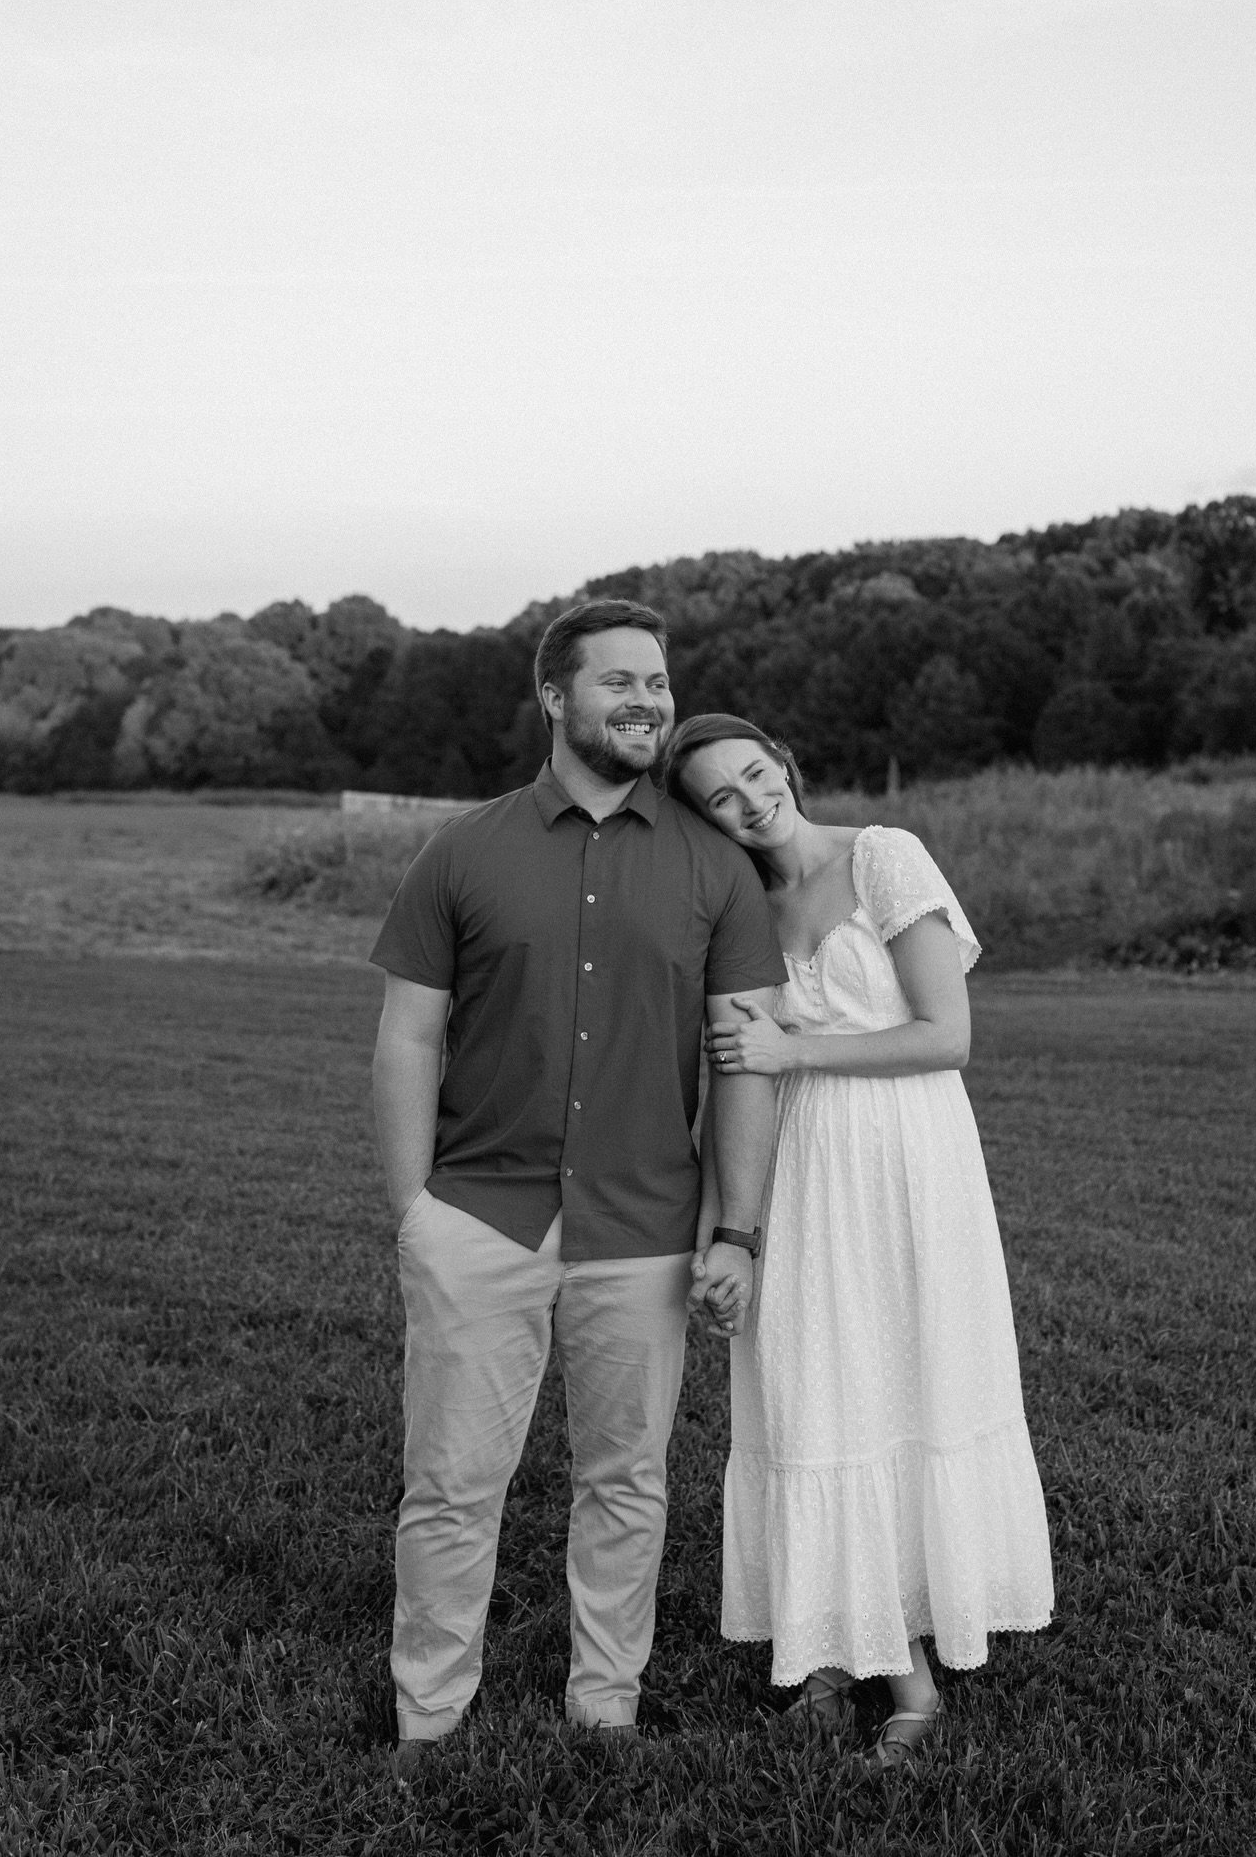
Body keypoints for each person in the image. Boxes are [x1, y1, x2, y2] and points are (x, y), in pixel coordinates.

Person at [369, 603, 787, 1774]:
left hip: (647, 1228)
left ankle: (607, 1706)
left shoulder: (716, 864)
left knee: (627, 1481)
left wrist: (738, 1229)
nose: (647, 698)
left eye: (657, 679)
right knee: (451, 1486)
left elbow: (744, 1057)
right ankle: (428, 1716)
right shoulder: (463, 849)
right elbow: (407, 1039)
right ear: (555, 697)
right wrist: (416, 1213)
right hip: (479, 1218)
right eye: (619, 680)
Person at [666, 713, 1054, 1765]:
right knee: (813, 1392)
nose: (753, 802)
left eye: (757, 774)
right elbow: (730, 1073)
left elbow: (948, 1033)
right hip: (796, 1171)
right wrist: (724, 1230)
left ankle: (906, 1675)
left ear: (785, 761)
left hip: (904, 1158)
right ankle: (841, 1643)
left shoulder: (884, 854)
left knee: (900, 1385)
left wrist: (796, 1044)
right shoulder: (740, 904)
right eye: (721, 797)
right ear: (704, 818)